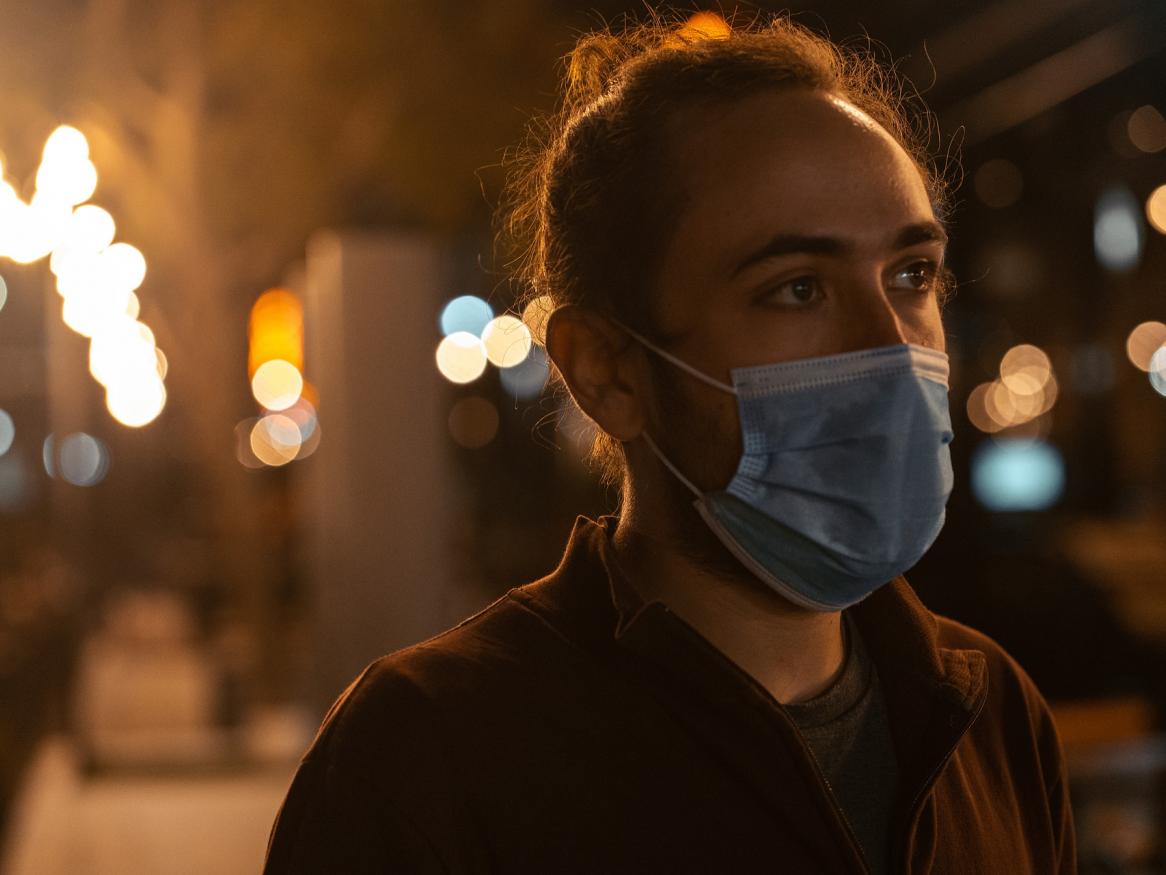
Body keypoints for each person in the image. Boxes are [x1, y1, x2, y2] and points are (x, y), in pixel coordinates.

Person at [264, 11, 1077, 874]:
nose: (890, 342)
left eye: (912, 275)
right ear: (606, 369)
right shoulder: (427, 756)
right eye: (797, 288)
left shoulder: (990, 714)